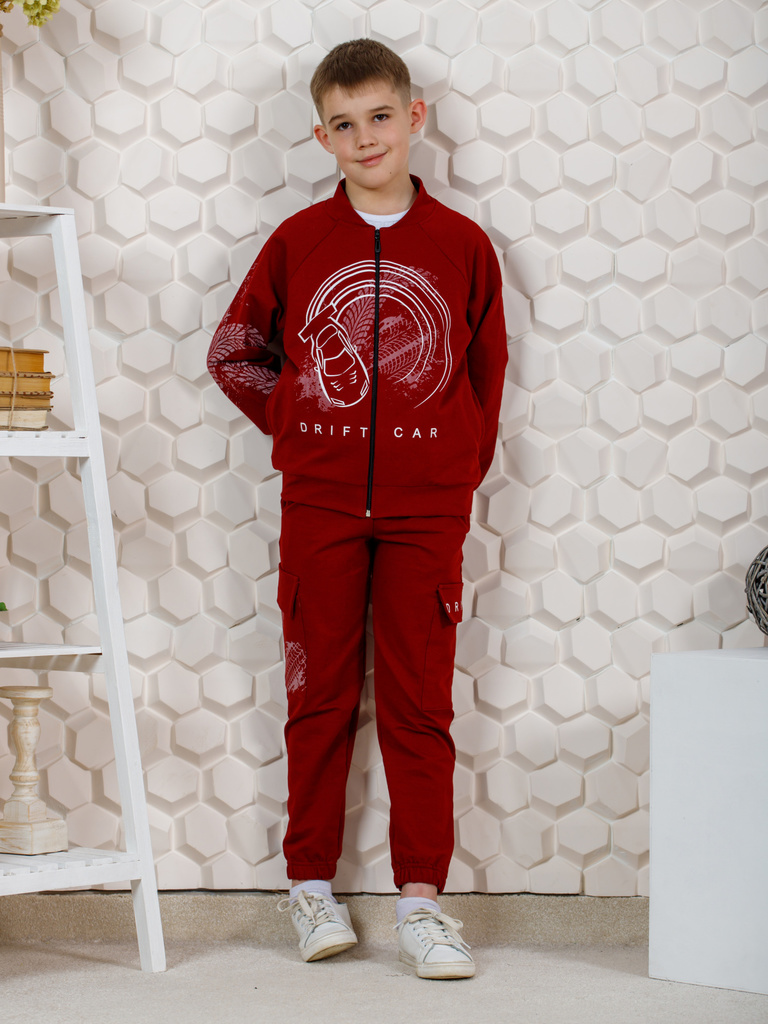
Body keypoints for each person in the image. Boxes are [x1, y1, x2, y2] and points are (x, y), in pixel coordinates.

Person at [207, 38, 507, 980]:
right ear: (321, 137)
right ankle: (310, 889)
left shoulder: (463, 245)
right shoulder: (299, 241)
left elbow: (487, 373)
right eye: (344, 124)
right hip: (321, 506)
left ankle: (421, 903)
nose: (365, 137)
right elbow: (232, 350)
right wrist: (297, 422)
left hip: (428, 513)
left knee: (420, 705)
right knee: (318, 699)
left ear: (415, 117)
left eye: (380, 116)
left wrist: (453, 471)